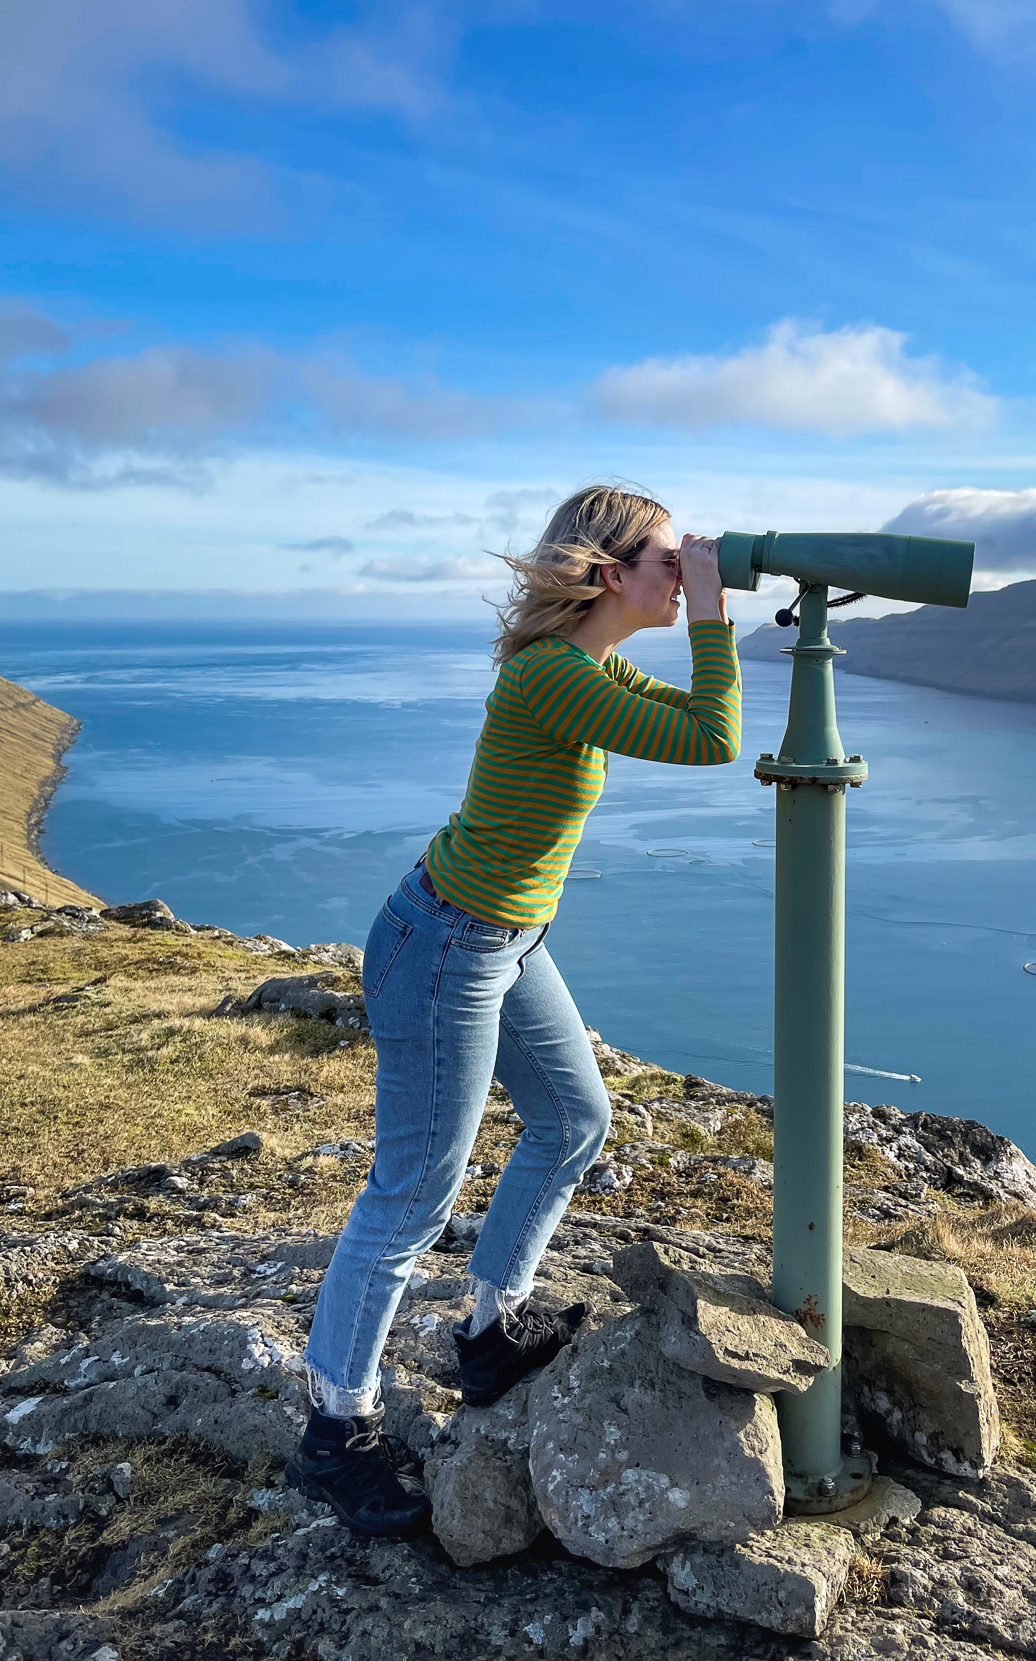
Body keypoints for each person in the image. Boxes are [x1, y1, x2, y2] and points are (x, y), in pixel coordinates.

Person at [288, 485, 741, 1535]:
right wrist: (714, 612)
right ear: (610, 568)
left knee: (577, 1120)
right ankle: (333, 1426)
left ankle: (491, 1326)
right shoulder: (550, 677)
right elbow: (714, 736)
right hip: (446, 943)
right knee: (411, 1194)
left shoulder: (586, 667)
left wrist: (705, 598)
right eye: (669, 557)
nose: (682, 572)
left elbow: (684, 718)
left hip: (503, 937)